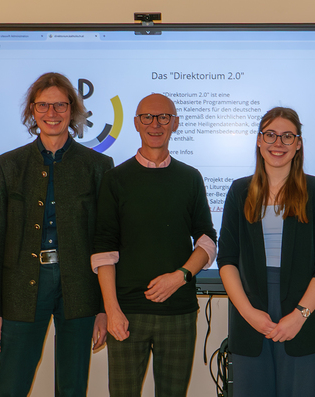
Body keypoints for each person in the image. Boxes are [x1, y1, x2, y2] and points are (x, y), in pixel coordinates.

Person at [0, 72, 113, 396]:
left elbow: (106, 241)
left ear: (73, 110)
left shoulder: (98, 166)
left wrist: (104, 307)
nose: (51, 113)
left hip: (79, 288)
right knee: (11, 385)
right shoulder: (8, 165)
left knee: (72, 387)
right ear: (31, 110)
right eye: (43, 105)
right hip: (21, 287)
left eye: (60, 105)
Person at [92, 93, 217, 396]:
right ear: (136, 123)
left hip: (179, 313)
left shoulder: (190, 178)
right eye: (147, 117)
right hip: (127, 313)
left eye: (164, 117)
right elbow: (103, 250)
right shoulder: (115, 179)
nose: (155, 124)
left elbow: (206, 240)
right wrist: (111, 310)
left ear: (175, 123)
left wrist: (181, 276)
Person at [218, 107, 315, 396]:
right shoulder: (239, 191)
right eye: (270, 135)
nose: (278, 143)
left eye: (288, 136)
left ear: (298, 144)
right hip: (251, 320)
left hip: (303, 319)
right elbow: (227, 260)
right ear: (259, 141)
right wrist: (249, 314)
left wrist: (299, 315)